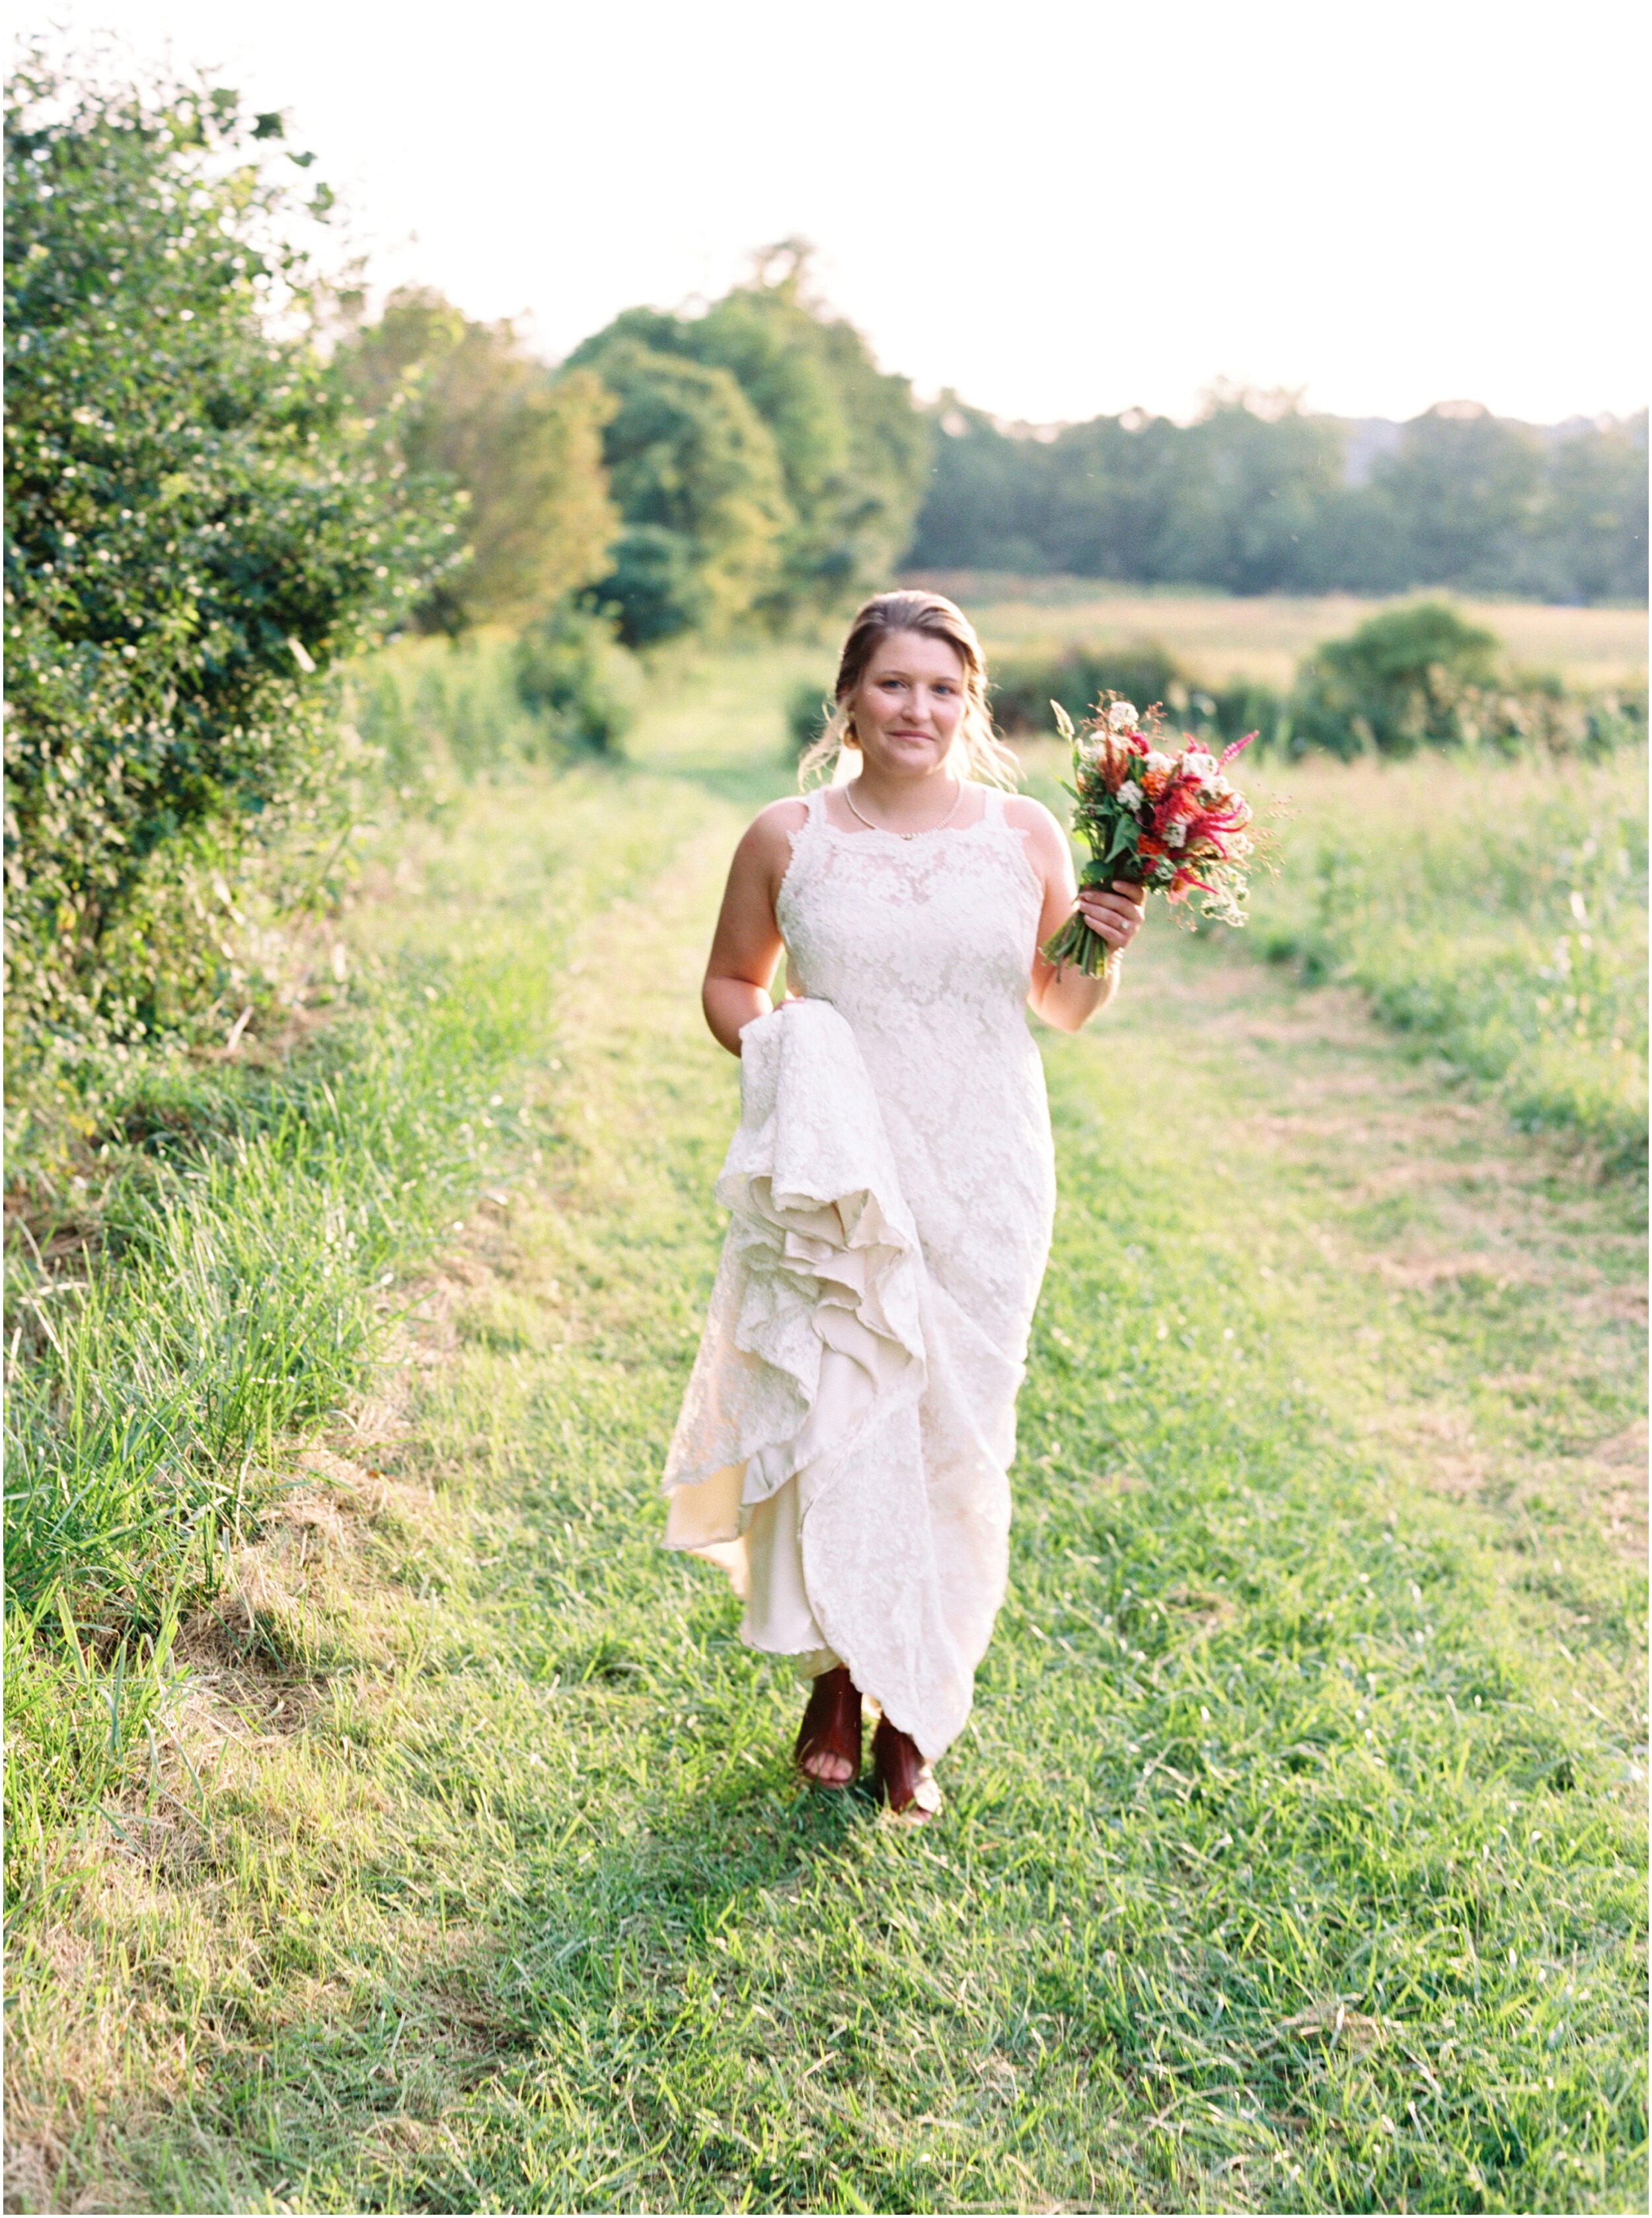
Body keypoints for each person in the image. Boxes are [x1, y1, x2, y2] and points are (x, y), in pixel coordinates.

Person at [662, 590, 1144, 1822]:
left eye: (942, 687)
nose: (917, 709)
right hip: (841, 1170)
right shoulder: (788, 833)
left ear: (969, 702)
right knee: (842, 1412)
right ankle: (838, 1673)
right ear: (850, 699)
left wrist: (1104, 944)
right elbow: (731, 981)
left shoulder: (1026, 833)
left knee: (957, 1434)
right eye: (893, 684)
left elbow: (1063, 1006)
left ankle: (919, 1708)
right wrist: (785, 1058)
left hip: (987, 1170)